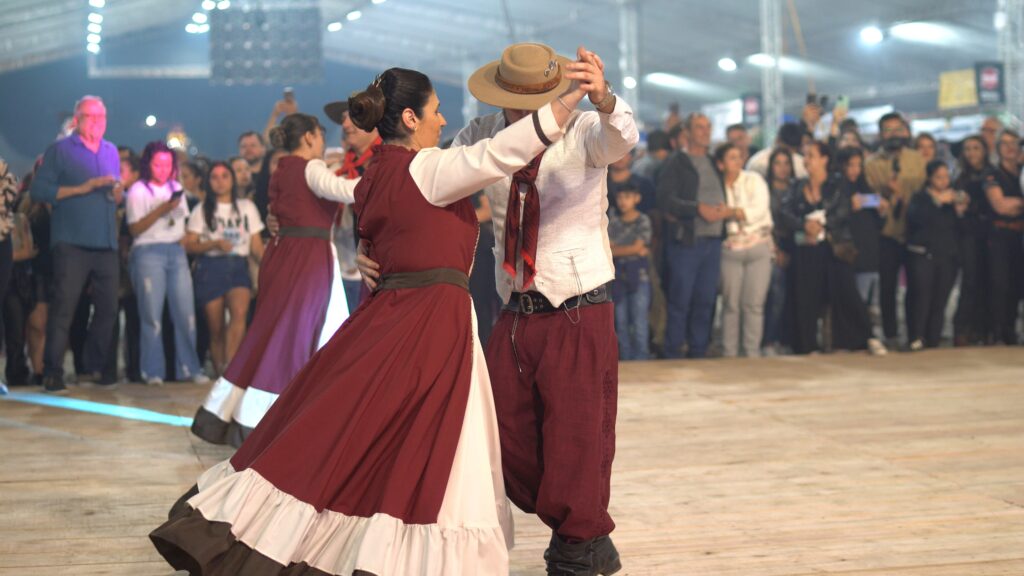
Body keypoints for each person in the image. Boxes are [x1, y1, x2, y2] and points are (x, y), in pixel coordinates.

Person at [152, 62, 592, 576]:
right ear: (409, 116)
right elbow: (500, 152)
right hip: (432, 325)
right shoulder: (426, 169)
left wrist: (368, 250)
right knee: (441, 443)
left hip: (395, 317)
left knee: (373, 435)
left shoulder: (375, 174)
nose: (442, 119)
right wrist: (570, 96)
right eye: (435, 110)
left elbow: (384, 230)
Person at [357, 43, 635, 572]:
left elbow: (623, 138)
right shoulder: (481, 135)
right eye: (512, 100)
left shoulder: (581, 128)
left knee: (579, 432)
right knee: (497, 429)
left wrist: (605, 98)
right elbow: (423, 181)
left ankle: (582, 543)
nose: (520, 110)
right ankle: (573, 521)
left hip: (579, 303)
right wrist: (368, 242)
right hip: (514, 309)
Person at [190, 113, 351, 447]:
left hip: (285, 255)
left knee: (272, 333)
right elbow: (345, 191)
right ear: (309, 137)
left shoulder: (282, 169)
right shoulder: (311, 168)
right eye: (320, 136)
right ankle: (260, 420)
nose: (323, 142)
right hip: (307, 258)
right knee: (291, 337)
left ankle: (228, 415)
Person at [30, 95, 124, 393]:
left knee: (109, 307)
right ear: (77, 119)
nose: (97, 122)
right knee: (64, 307)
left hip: (106, 241)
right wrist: (83, 188)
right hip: (71, 241)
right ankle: (53, 371)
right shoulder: (60, 150)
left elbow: (115, 193)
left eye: (101, 117)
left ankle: (96, 365)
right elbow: (39, 191)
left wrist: (117, 194)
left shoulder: (110, 151)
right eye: (90, 116)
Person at [778, 142, 884, 355]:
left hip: (834, 247)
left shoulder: (837, 185)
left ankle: (861, 339)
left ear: (825, 159)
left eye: (811, 155)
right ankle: (806, 344)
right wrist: (803, 225)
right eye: (805, 155)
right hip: (805, 249)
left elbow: (843, 211)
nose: (806, 160)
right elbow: (785, 212)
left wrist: (822, 224)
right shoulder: (797, 186)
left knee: (846, 293)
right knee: (804, 297)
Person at [124, 142, 207, 386]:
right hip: (148, 252)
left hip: (176, 251)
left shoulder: (176, 188)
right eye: (157, 164)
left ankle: (189, 367)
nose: (162, 169)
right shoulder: (138, 190)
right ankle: (152, 370)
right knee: (151, 314)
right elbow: (134, 228)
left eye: (167, 164)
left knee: (185, 312)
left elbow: (182, 223)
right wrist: (161, 209)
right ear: (148, 164)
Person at [658, 112, 738, 359]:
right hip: (687, 242)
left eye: (708, 127)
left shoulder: (715, 161)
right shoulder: (676, 162)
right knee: (680, 300)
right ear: (687, 133)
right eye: (699, 127)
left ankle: (698, 351)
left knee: (706, 300)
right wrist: (697, 209)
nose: (705, 131)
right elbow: (665, 200)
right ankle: (673, 352)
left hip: (713, 242)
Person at [185, 162, 265, 376]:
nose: (220, 181)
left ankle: (231, 369)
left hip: (238, 265)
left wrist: (268, 265)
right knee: (216, 327)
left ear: (232, 179)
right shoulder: (202, 210)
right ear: (209, 182)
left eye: (224, 176)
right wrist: (212, 244)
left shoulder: (247, 208)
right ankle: (220, 371)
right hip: (211, 267)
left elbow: (256, 245)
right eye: (215, 177)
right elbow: (189, 243)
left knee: (239, 314)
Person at [865, 112, 926, 348]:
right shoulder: (871, 164)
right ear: (880, 134)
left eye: (897, 129)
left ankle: (914, 336)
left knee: (916, 286)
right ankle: (890, 334)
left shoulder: (917, 159)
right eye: (887, 130)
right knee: (887, 287)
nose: (893, 135)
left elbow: (924, 191)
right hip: (886, 233)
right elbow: (864, 199)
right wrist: (885, 193)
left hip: (913, 231)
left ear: (905, 131)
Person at [716, 142, 773, 358]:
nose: (738, 161)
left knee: (754, 304)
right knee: (731, 304)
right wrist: (733, 213)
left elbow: (759, 210)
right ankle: (729, 353)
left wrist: (731, 212)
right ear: (721, 164)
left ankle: (751, 353)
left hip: (758, 246)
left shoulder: (754, 180)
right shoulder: (717, 185)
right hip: (730, 248)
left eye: (739, 157)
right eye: (732, 157)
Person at [906, 161, 967, 351]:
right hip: (923, 254)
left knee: (940, 300)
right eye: (939, 177)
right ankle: (916, 336)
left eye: (946, 177)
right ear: (930, 178)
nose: (943, 181)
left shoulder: (953, 200)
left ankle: (933, 338)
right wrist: (938, 202)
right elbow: (916, 219)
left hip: (947, 256)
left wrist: (960, 211)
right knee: (921, 297)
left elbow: (959, 229)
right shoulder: (920, 198)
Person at [983, 129, 1024, 345]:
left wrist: (1013, 203)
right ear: (998, 148)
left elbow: (1009, 204)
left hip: (1018, 237)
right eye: (1005, 143)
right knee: (1000, 284)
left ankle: (1010, 329)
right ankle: (996, 331)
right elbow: (999, 205)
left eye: (1014, 143)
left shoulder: (1021, 172)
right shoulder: (992, 174)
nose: (1010, 148)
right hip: (999, 236)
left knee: (1017, 285)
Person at [952, 136, 993, 345]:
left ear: (985, 150)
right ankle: (962, 329)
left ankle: (984, 329)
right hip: (968, 235)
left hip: (991, 235)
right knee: (969, 281)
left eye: (976, 148)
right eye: (967, 149)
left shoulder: (993, 175)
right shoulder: (960, 179)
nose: (971, 153)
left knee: (989, 281)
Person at [608, 183, 652, 360]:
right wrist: (633, 249)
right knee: (621, 321)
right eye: (619, 197)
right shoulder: (614, 222)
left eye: (627, 197)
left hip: (639, 277)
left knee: (640, 321)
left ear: (637, 198)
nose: (622, 201)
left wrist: (619, 249)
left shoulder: (643, 220)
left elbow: (638, 247)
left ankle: (642, 358)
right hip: (618, 277)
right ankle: (625, 358)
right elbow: (609, 249)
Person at [763, 148, 795, 355]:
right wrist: (776, 250)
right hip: (771, 247)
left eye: (786, 163)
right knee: (775, 294)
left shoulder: (797, 188)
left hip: (796, 247)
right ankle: (769, 340)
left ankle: (788, 338)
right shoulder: (764, 190)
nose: (782, 168)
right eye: (778, 163)